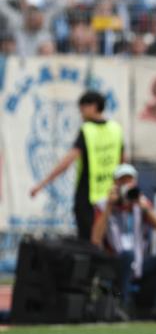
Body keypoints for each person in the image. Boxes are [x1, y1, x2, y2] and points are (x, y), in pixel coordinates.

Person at [30, 90, 124, 240]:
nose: (81, 114)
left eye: (82, 109)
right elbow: (122, 162)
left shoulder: (87, 130)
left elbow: (67, 161)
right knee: (108, 238)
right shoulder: (116, 129)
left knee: (87, 240)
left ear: (93, 106)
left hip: (88, 193)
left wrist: (42, 183)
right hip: (109, 193)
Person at [91, 164, 156, 320]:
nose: (126, 185)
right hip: (117, 262)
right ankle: (123, 305)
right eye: (122, 181)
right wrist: (110, 207)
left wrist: (145, 208)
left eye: (129, 181)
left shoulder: (140, 203)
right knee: (127, 255)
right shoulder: (103, 204)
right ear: (115, 184)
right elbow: (96, 239)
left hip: (139, 262)